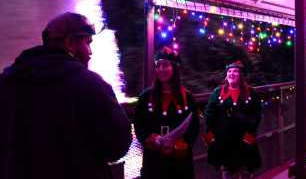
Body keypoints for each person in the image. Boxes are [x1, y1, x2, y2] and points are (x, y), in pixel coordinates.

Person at [0, 12, 132, 179]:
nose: (90, 52)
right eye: (87, 43)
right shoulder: (91, 85)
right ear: (70, 43)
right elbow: (118, 145)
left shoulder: (8, 81)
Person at [134, 47, 199, 179]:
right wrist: (151, 139)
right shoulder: (145, 97)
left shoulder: (188, 97)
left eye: (165, 65)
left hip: (180, 163)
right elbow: (138, 124)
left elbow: (194, 127)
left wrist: (180, 145)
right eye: (158, 66)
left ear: (174, 68)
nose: (161, 69)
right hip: (153, 161)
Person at [205, 61, 262, 179]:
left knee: (246, 173)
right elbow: (209, 116)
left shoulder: (251, 93)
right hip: (224, 144)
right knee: (226, 173)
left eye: (235, 71)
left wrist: (249, 135)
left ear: (241, 75)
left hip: (244, 143)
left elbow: (257, 116)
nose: (231, 73)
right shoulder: (217, 92)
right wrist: (211, 140)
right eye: (229, 71)